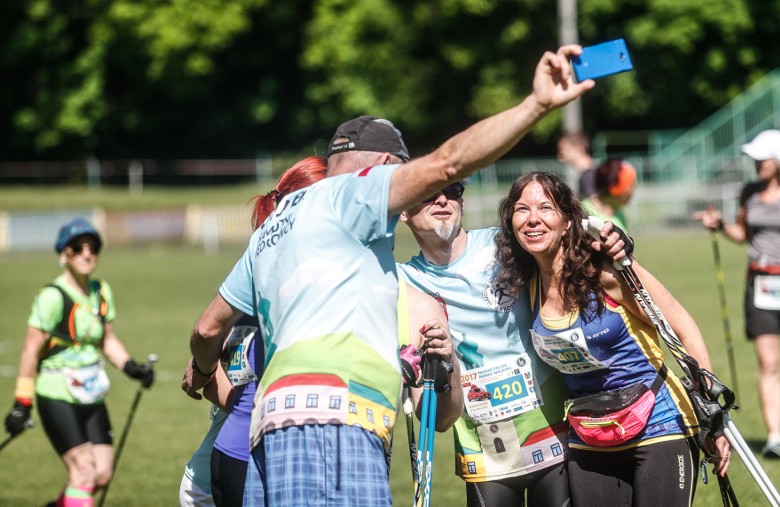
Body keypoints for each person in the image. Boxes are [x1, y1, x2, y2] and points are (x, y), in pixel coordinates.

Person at [181, 44, 596, 506]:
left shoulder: (273, 229)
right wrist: (535, 105)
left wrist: (201, 372)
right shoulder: (352, 195)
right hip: (341, 417)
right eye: (405, 177)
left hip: (271, 425)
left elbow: (206, 328)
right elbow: (449, 163)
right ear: (382, 169)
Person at [494, 172, 731, 506]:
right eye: (522, 209)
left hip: (659, 424)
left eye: (545, 208)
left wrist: (710, 409)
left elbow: (679, 323)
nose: (533, 218)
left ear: (566, 222)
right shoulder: (526, 284)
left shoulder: (605, 270)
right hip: (588, 436)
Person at [397, 179, 630, 507]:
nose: (442, 200)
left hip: (555, 434)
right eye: (425, 193)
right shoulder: (402, 280)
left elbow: (565, 220)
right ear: (402, 211)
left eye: (452, 191)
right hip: (487, 454)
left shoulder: (505, 245)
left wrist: (610, 232)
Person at [178, 157, 329, 507]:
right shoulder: (274, 276)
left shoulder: (276, 266)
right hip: (238, 467)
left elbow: (207, 346)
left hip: (228, 463)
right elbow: (209, 350)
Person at [4, 218, 154, 507]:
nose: (87, 253)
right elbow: (29, 350)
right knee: (84, 472)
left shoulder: (101, 291)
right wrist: (22, 402)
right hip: (56, 392)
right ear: (64, 254)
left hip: (91, 392)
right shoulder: (52, 296)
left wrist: (131, 367)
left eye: (93, 247)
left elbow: (107, 340)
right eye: (77, 247)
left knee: (102, 475)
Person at [694, 129, 780, 460]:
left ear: (779, 160)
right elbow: (742, 233)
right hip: (761, 283)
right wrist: (720, 225)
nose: (755, 163)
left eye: (761, 158)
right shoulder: (748, 192)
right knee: (769, 362)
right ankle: (775, 436)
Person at [582, 157, 637, 231]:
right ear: (618, 190)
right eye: (632, 186)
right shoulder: (584, 212)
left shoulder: (618, 213)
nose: (634, 191)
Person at [557, 131, 597, 197]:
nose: (560, 154)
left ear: (578, 148)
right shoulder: (590, 172)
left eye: (564, 149)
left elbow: (597, 204)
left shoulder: (588, 175)